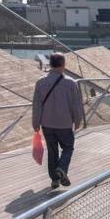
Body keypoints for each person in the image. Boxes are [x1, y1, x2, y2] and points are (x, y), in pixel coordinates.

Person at [32, 53, 83, 190]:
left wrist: (35, 123)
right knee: (68, 147)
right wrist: (77, 120)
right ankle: (61, 168)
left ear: (51, 64)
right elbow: (75, 105)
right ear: (63, 64)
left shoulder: (40, 82)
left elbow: (37, 105)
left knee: (52, 151)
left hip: (46, 124)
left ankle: (55, 180)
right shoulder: (70, 83)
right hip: (64, 124)